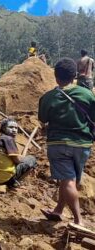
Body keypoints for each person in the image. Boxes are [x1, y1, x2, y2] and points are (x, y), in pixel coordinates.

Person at [38, 57, 95, 226]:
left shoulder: (48, 97)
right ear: (74, 76)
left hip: (58, 144)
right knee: (69, 179)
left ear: (55, 76)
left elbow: (43, 118)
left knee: (68, 180)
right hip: (82, 145)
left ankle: (78, 221)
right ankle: (58, 210)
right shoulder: (87, 94)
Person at [0, 118, 37, 188]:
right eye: (11, 127)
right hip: (7, 179)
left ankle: (13, 181)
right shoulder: (8, 139)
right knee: (32, 159)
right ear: (3, 128)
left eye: (16, 128)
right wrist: (22, 158)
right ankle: (14, 182)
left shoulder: (0, 139)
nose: (14, 130)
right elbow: (17, 161)